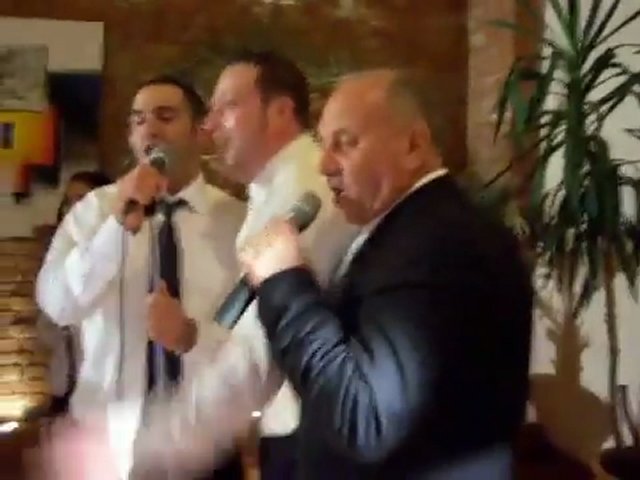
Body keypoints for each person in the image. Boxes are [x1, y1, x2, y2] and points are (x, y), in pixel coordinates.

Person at [237, 69, 533, 479]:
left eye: (346, 143)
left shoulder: (434, 244)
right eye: (324, 144)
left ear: (413, 145)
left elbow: (365, 420)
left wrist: (284, 284)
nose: (324, 165)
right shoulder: (414, 228)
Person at [34, 75, 246, 479]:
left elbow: (254, 337)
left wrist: (192, 336)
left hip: (204, 448)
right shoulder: (94, 212)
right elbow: (59, 305)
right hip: (106, 444)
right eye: (138, 120)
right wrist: (117, 228)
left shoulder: (235, 221)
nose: (149, 130)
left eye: (165, 117)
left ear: (200, 132)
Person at [37, 170, 112, 417]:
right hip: (63, 388)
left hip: (103, 395)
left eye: (81, 200)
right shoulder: (57, 258)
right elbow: (46, 328)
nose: (72, 209)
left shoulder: (116, 254)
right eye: (67, 201)